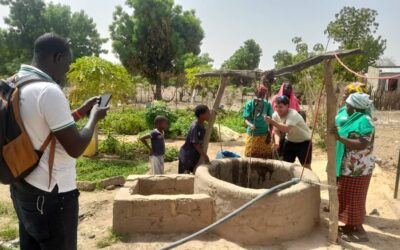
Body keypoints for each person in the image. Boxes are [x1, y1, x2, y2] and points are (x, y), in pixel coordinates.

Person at [9, 33, 108, 250]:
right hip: (53, 195)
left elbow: (40, 126)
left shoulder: (14, 82)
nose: (67, 70)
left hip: (22, 184)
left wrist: (81, 112)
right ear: (57, 57)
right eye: (67, 63)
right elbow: (76, 147)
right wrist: (94, 117)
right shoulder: (48, 90)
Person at [330, 93, 375, 242]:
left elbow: (363, 143)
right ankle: (350, 227)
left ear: (356, 108)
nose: (346, 107)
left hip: (358, 169)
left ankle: (359, 231)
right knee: (347, 196)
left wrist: (339, 138)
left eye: (348, 105)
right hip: (350, 167)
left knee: (354, 199)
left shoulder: (364, 121)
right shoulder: (354, 119)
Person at [265, 95, 312, 168]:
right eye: (276, 106)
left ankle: (311, 180)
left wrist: (271, 121)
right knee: (286, 165)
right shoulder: (275, 115)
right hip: (290, 141)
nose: (277, 109)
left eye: (280, 107)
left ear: (287, 106)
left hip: (304, 142)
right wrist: (277, 142)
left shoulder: (293, 114)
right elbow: (276, 131)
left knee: (306, 167)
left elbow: (286, 129)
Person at [243, 85, 273, 159]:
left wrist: (270, 133)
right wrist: (250, 125)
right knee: (250, 155)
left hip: (264, 134)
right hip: (252, 134)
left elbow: (271, 120)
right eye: (260, 93)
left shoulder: (267, 105)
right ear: (256, 93)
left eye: (263, 94)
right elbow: (245, 119)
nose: (261, 96)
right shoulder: (249, 104)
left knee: (265, 157)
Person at [178, 105, 210, 174]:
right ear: (201, 115)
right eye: (208, 113)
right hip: (187, 156)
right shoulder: (195, 126)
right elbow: (196, 144)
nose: (209, 115)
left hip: (193, 155)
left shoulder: (202, 124)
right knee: (184, 176)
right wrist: (205, 156)